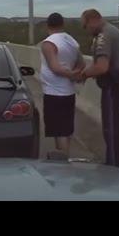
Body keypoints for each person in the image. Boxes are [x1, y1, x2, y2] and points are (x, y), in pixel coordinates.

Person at [76, 9, 119, 167]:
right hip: (117, 83)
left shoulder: (103, 36)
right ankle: (114, 162)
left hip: (113, 86)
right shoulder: (111, 31)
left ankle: (113, 167)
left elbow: (101, 67)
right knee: (115, 125)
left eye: (85, 26)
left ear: (93, 20)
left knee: (112, 129)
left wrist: (83, 75)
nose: (86, 30)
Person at [39, 12, 85, 160]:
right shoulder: (72, 41)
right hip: (69, 92)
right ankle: (65, 156)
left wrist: (71, 75)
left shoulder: (48, 43)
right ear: (62, 24)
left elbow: (55, 68)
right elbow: (82, 64)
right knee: (66, 130)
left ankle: (62, 162)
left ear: (48, 25)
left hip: (54, 92)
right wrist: (76, 74)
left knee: (59, 130)